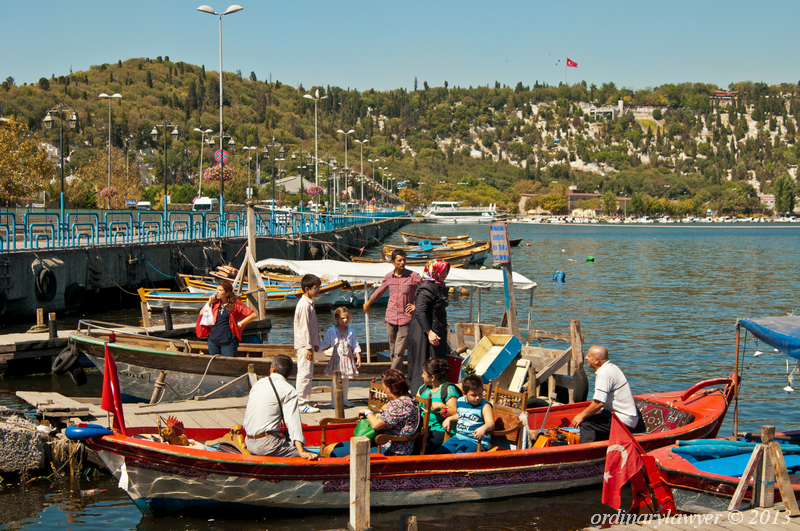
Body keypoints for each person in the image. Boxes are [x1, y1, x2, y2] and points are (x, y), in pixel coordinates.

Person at [242, 354, 318, 460]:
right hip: (266, 445)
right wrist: (301, 450)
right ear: (290, 373)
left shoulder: (258, 384)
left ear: (272, 369)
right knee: (316, 456)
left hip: (248, 441)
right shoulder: (288, 389)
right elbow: (293, 422)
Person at [363, 249, 423, 371]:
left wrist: (417, 306)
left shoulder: (414, 276)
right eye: (399, 260)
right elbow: (380, 291)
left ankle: (392, 375)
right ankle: (397, 374)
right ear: (393, 262)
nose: (402, 262)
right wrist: (369, 302)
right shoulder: (389, 277)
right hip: (390, 317)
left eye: (404, 260)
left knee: (399, 351)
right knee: (392, 350)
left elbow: (425, 290)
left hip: (405, 318)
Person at [571, 345, 644, 443]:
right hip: (617, 414)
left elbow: (599, 403)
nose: (586, 358)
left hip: (624, 420)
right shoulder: (611, 367)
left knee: (586, 424)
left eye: (588, 356)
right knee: (593, 417)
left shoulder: (604, 374)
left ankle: (586, 452)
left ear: (597, 360)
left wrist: (581, 416)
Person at [406, 259, 451, 395]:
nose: (445, 274)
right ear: (435, 271)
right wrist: (429, 332)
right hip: (424, 332)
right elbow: (420, 312)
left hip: (436, 330)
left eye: (446, 271)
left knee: (437, 362)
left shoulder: (439, 286)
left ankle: (439, 392)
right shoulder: (427, 287)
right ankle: (422, 395)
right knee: (425, 361)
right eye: (443, 271)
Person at [358, 368, 420, 456]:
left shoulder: (402, 404)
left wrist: (367, 412)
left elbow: (376, 425)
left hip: (394, 450)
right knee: (341, 448)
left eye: (384, 387)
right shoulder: (405, 398)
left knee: (339, 452)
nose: (384, 390)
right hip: (386, 444)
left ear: (390, 388)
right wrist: (380, 412)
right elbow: (388, 407)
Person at [195, 280, 257, 357]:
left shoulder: (235, 304)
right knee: (214, 366)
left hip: (228, 341)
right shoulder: (214, 303)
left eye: (220, 290)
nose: (217, 292)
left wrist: (239, 324)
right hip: (213, 340)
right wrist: (209, 303)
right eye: (217, 289)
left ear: (227, 293)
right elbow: (201, 313)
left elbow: (253, 315)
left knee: (229, 365)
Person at [436, 374, 495, 454]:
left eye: (480, 394)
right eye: (473, 395)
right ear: (464, 394)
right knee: (439, 454)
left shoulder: (485, 406)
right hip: (458, 437)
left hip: (476, 441)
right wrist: (449, 418)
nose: (477, 397)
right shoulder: (460, 401)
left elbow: (491, 423)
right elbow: (461, 415)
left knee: (460, 457)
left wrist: (484, 428)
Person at [416, 357, 461, 454]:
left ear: (432, 377)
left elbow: (455, 412)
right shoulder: (423, 389)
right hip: (423, 428)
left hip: (440, 429)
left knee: (423, 447)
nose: (422, 376)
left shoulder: (448, 389)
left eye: (424, 373)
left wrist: (441, 407)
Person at [320, 306, 362, 407]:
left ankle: (345, 400)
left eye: (347, 318)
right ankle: (334, 401)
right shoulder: (331, 331)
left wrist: (358, 357)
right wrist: (316, 347)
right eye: (343, 318)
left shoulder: (351, 331)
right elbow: (326, 343)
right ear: (337, 318)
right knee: (335, 380)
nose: (345, 320)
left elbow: (355, 344)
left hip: (347, 358)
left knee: (345, 380)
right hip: (336, 359)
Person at [294, 274, 322, 414]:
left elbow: (312, 326)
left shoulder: (309, 303)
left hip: (308, 344)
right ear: (307, 289)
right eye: (316, 288)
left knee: (307, 373)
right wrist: (308, 347)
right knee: (304, 374)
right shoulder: (304, 305)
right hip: (304, 346)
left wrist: (315, 342)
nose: (318, 290)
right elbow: (304, 328)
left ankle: (305, 400)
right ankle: (301, 403)